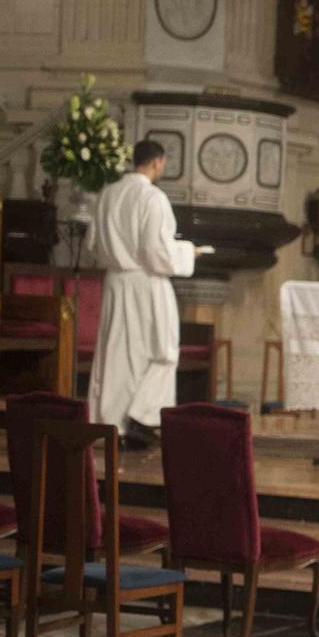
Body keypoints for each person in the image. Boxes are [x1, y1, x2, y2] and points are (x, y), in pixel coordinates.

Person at [87, 139, 196, 446]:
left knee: (117, 356)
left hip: (116, 281)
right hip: (146, 282)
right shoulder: (152, 198)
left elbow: (93, 244)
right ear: (158, 162)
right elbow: (155, 251)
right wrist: (189, 253)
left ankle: (113, 426)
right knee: (162, 350)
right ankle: (142, 414)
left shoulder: (107, 194)